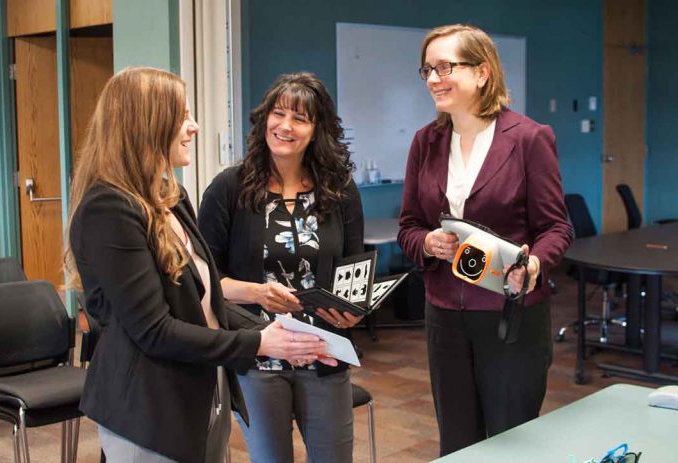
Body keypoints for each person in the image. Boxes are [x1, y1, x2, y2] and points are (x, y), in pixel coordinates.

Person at [66, 67, 332, 463]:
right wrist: (260, 342)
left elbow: (204, 301)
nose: (193, 127)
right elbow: (154, 331)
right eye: (183, 116)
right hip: (148, 408)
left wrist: (289, 340)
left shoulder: (170, 195)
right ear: (149, 124)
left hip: (200, 391)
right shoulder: (109, 209)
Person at [397, 25, 573, 456]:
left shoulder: (529, 138)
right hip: (444, 318)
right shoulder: (426, 142)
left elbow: (557, 228)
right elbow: (408, 226)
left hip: (509, 318)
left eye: (445, 67)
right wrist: (427, 243)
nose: (434, 78)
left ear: (482, 72)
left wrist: (533, 266)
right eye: (427, 69)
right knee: (458, 444)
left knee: (511, 444)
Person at [198, 72, 364, 463]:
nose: (285, 126)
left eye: (300, 118)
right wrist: (256, 292)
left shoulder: (339, 189)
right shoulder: (229, 189)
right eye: (278, 114)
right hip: (257, 354)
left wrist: (352, 309)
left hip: (325, 353)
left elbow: (355, 266)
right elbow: (202, 280)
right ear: (264, 120)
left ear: (317, 130)